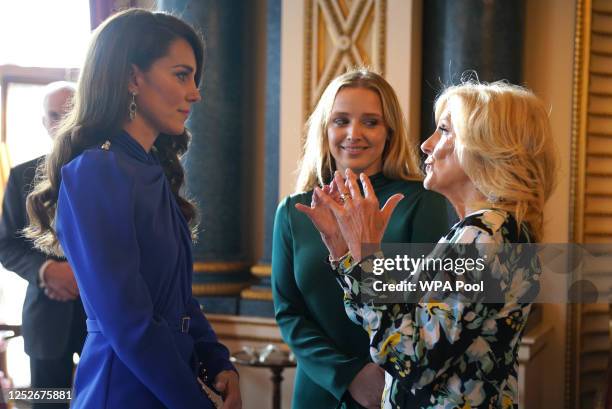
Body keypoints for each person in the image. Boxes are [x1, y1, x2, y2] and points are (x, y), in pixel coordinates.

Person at [24, 9, 240, 409]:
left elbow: (178, 300)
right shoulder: (97, 172)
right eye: (181, 75)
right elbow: (128, 322)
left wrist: (216, 359)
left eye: (194, 77)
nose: (195, 92)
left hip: (165, 381)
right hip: (124, 387)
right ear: (132, 77)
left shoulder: (150, 169)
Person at [303, 81, 557, 408]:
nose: (426, 145)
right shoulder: (497, 230)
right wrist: (344, 250)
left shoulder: (482, 236)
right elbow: (398, 321)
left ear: (486, 146)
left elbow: (412, 360)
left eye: (444, 130)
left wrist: (368, 250)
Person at [272, 68, 449, 409]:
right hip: (318, 392)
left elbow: (426, 303)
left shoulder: (420, 201)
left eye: (370, 122)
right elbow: (289, 313)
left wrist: (379, 374)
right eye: (341, 120)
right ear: (325, 129)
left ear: (389, 132)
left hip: (395, 388)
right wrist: (347, 374)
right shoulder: (293, 210)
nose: (354, 133)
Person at [0, 81, 85, 409]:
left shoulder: (109, 173)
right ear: (44, 122)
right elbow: (6, 245)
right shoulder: (22, 177)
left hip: (104, 317)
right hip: (47, 318)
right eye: (54, 115)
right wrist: (47, 271)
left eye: (69, 112)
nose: (61, 122)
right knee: (48, 404)